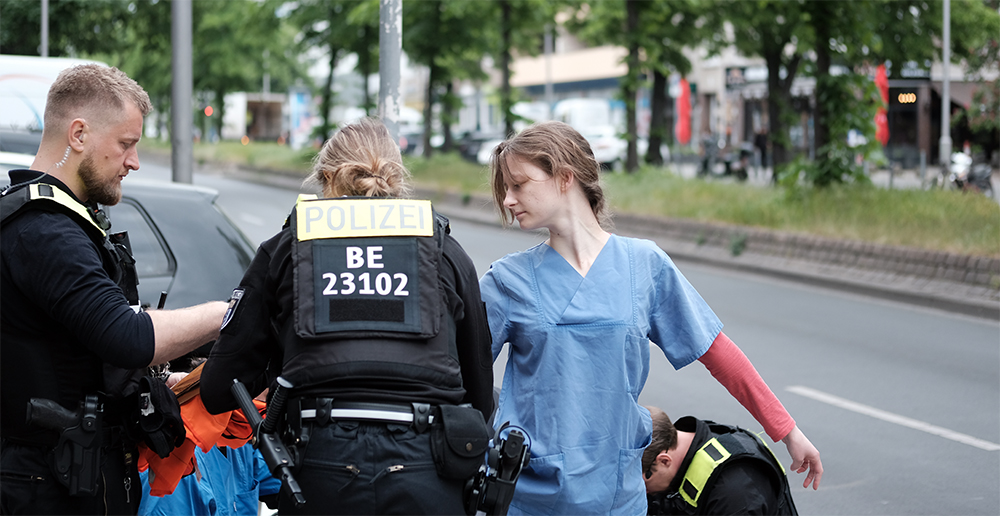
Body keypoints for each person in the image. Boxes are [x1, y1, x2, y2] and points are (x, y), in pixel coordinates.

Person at [480, 121, 822, 515]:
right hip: (528, 497)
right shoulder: (507, 281)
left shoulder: (644, 265)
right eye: (506, 189)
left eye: (519, 185)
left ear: (564, 177)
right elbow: (456, 376)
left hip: (617, 495)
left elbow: (717, 353)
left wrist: (787, 432)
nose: (507, 199)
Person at [199, 117, 495, 515]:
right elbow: (479, 390)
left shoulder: (287, 247)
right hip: (429, 468)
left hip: (321, 469)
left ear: (325, 178)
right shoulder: (444, 249)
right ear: (396, 179)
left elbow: (220, 387)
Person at [0, 64, 229, 515]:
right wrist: (231, 313)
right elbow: (126, 337)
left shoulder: (60, 220)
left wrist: (162, 384)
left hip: (66, 473)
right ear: (79, 134)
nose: (134, 162)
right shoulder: (45, 231)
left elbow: (79, 350)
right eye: (126, 144)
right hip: (49, 486)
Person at [642, 406, 798, 515]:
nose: (640, 491)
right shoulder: (685, 440)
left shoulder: (734, 494)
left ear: (664, 461)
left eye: (643, 484)